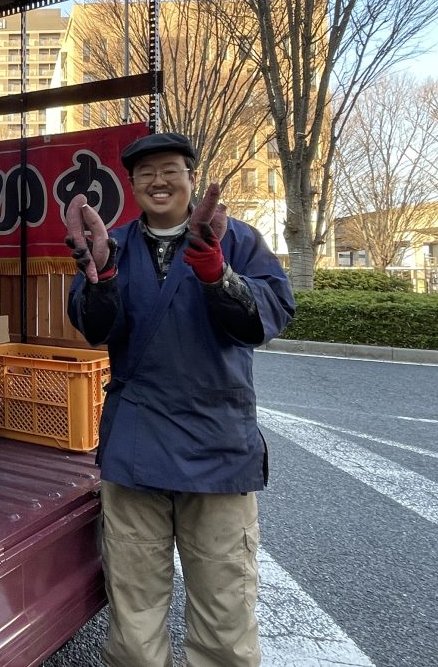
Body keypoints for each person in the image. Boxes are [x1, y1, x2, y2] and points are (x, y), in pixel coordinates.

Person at [63, 132, 295, 667]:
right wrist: (100, 276)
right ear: (133, 186)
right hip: (136, 446)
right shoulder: (112, 243)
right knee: (134, 617)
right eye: (145, 174)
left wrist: (219, 274)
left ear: (192, 177)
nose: (158, 182)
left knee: (224, 614)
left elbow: (268, 317)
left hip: (217, 448)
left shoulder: (236, 239)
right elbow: (94, 329)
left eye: (170, 170)